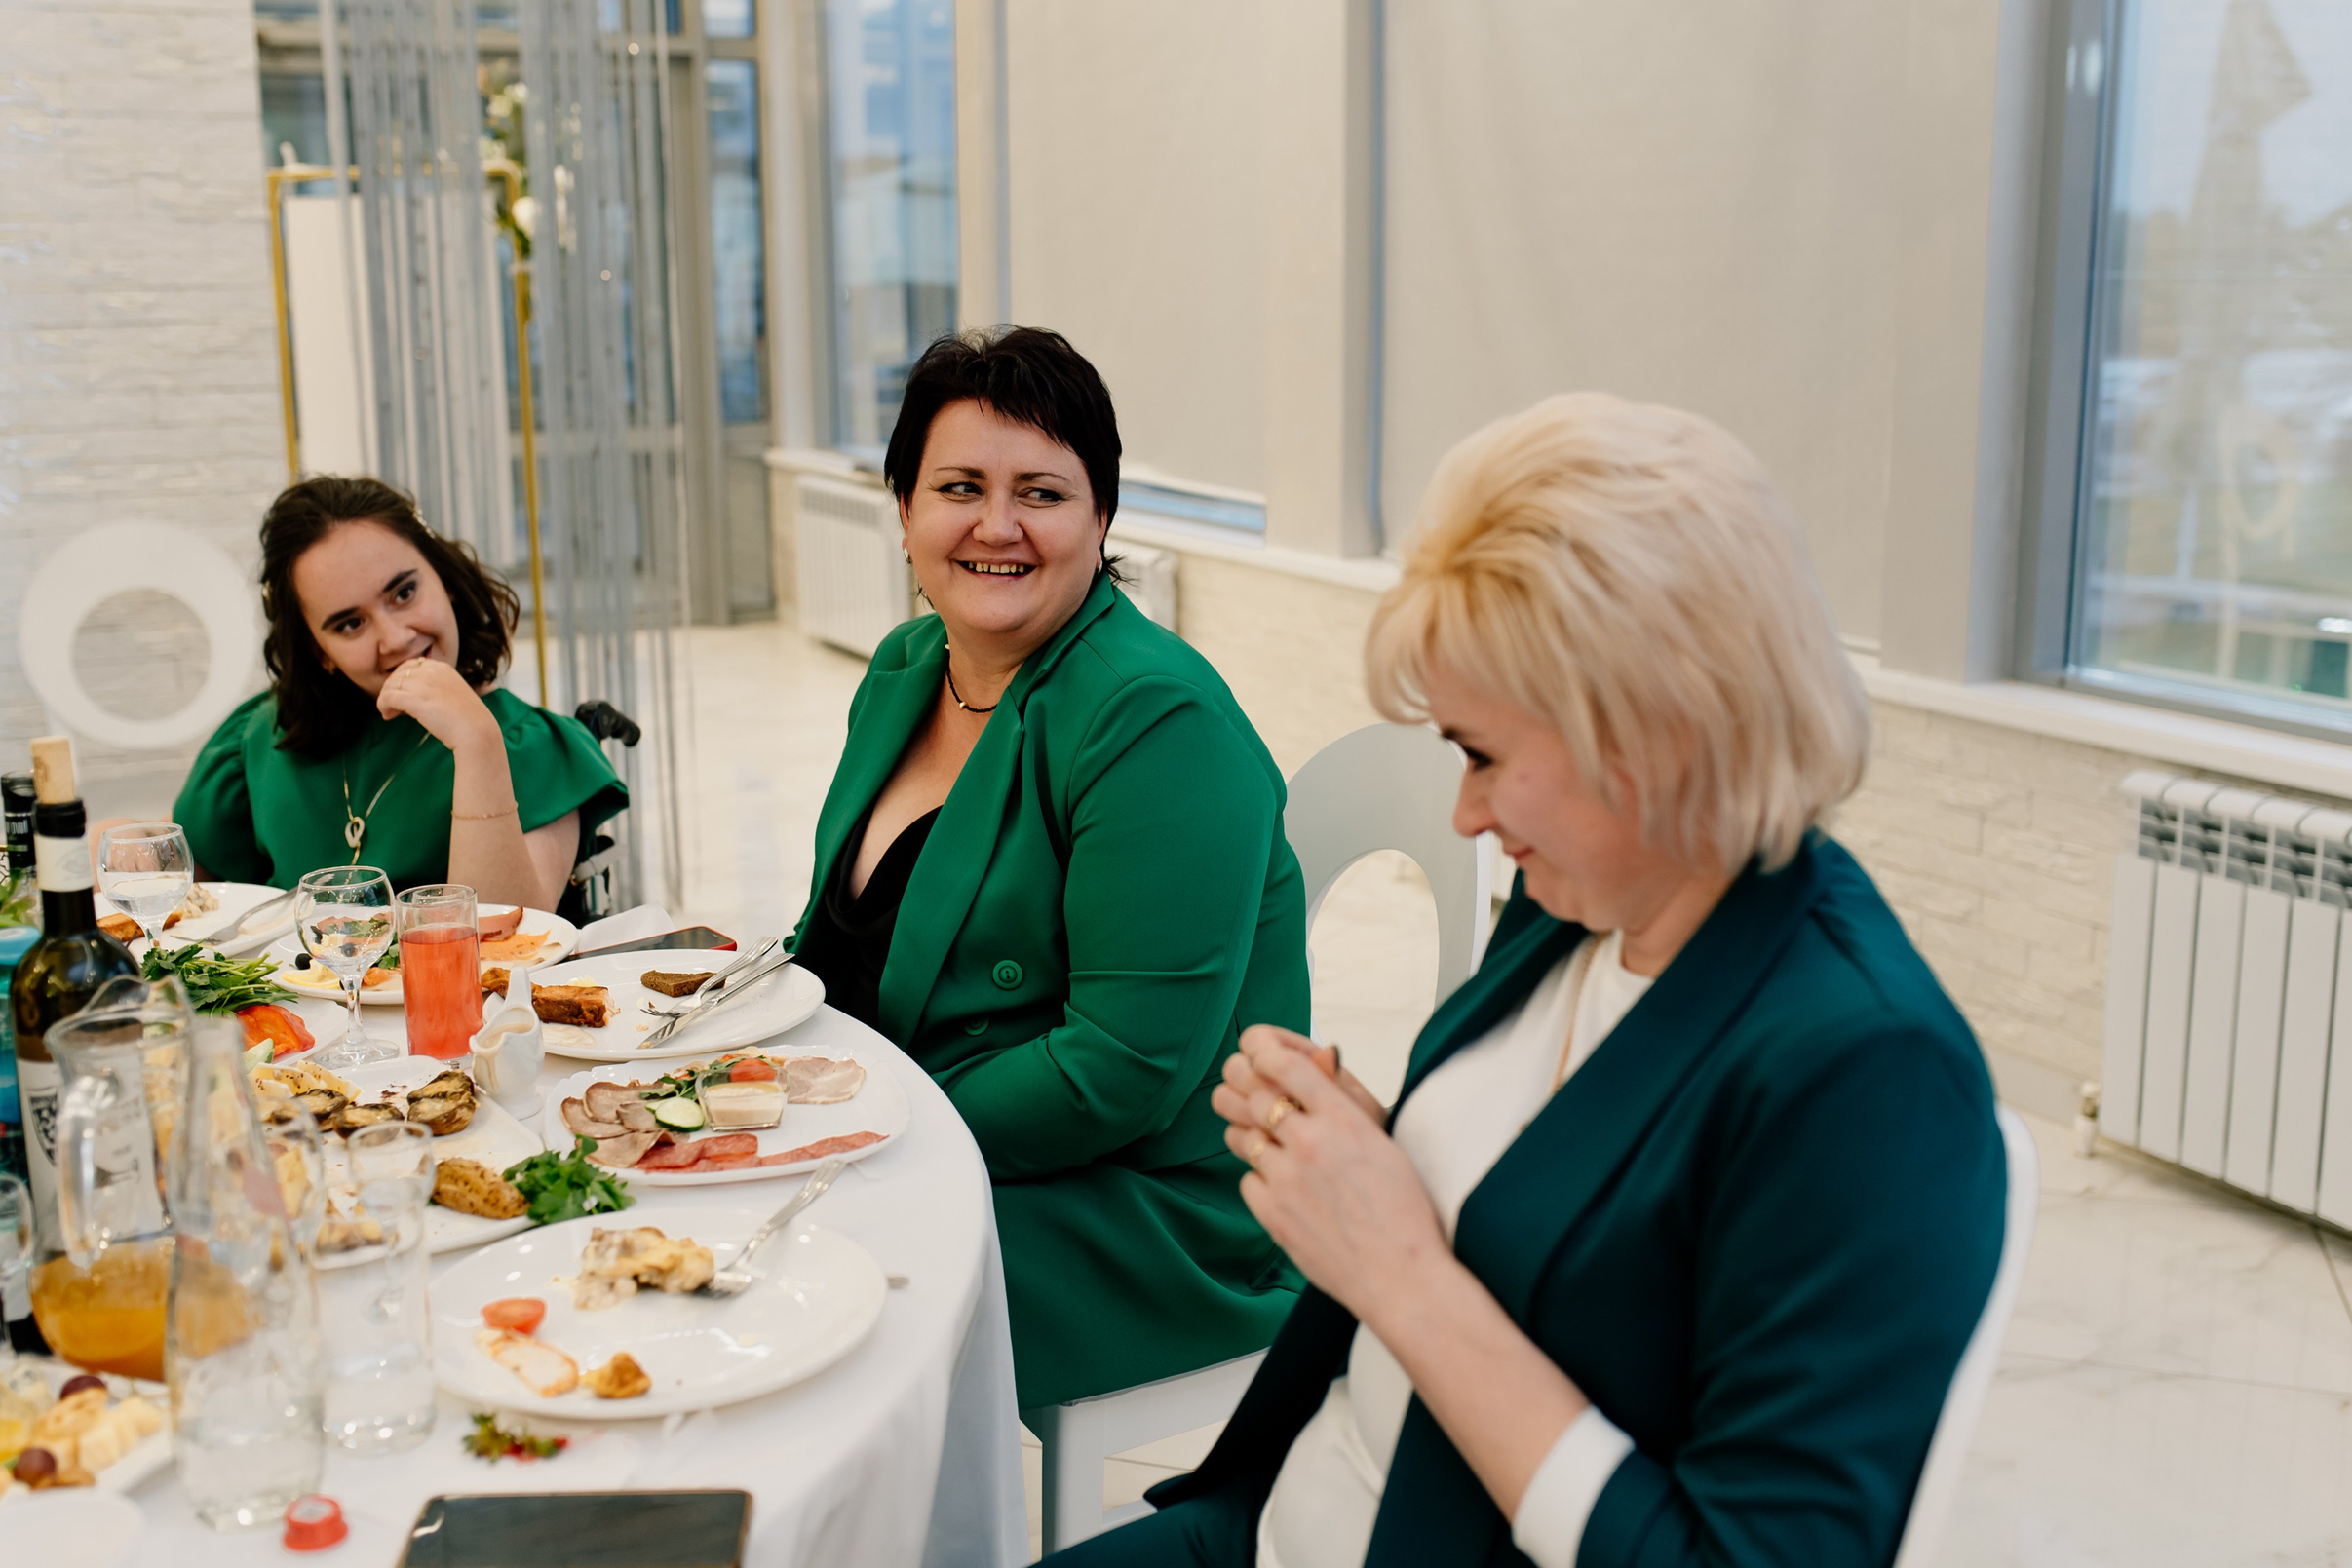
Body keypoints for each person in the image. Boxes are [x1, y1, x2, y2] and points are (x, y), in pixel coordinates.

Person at [1048, 393, 2007, 1567]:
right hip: (1279, 1515)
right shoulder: (1583, 903)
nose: (1463, 810)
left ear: (1659, 731)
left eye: (1484, 755)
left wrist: (1396, 1267)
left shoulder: (1865, 1073)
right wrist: (1370, 1158)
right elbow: (1548, 1204)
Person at [791, 326, 1309, 1414]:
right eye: (958, 486)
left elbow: (1120, 1065)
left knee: (780, 1297)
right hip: (926, 1133)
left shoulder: (1151, 717)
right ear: (903, 513)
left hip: (1135, 1206)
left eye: (1042, 490)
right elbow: (829, 946)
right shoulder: (903, 669)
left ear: (1103, 517)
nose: (996, 525)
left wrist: (863, 1137)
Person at [175, 477, 627, 913]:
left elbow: (501, 949)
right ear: (320, 651)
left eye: (404, 593)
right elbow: (198, 904)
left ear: (445, 581)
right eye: (350, 624)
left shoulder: (531, 747)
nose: (394, 638)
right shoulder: (262, 737)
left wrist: (475, 742)